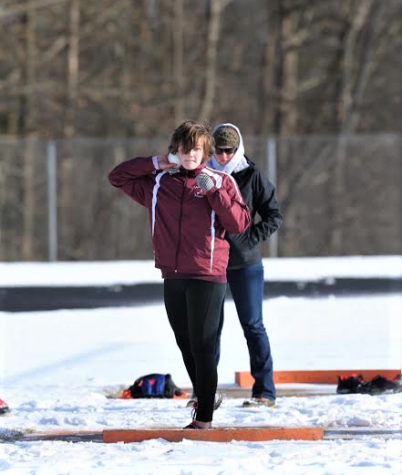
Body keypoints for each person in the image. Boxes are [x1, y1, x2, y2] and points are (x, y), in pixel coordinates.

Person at [108, 120, 250, 429]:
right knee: (184, 340)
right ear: (177, 151)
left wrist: (216, 194)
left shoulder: (219, 180)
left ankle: (204, 418)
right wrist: (156, 162)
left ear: (204, 152)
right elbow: (117, 177)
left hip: (207, 273)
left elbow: (240, 223)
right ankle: (205, 394)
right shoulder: (160, 181)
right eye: (185, 149)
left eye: (197, 149)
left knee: (203, 344)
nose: (191, 155)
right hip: (172, 273)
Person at [210, 123, 282, 407]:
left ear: (237, 149)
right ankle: (206, 393)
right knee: (210, 329)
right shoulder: (204, 175)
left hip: (245, 263)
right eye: (219, 150)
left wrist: (249, 239)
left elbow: (273, 215)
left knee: (253, 325)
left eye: (229, 150)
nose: (224, 156)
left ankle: (264, 391)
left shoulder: (252, 175)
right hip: (211, 264)